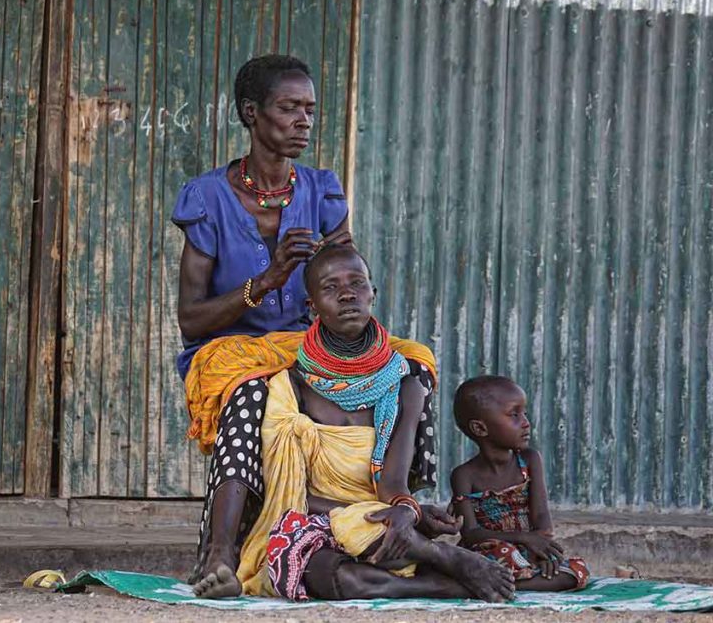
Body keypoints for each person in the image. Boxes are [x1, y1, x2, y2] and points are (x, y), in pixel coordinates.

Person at [173, 55, 438, 598]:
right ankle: (219, 552)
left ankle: (405, 514)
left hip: (309, 345)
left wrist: (332, 269)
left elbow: (348, 280)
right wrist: (266, 281)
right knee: (250, 394)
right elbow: (190, 318)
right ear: (251, 114)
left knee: (414, 366)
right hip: (237, 350)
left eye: (309, 110)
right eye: (288, 108)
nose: (302, 121)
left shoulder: (321, 190)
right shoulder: (208, 198)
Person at [192, 244, 516, 601]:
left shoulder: (405, 384)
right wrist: (378, 516)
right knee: (334, 578)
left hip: (377, 527)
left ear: (373, 294)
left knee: (377, 548)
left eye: (357, 284)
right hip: (318, 521)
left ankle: (433, 560)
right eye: (330, 288)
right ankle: (448, 569)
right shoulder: (290, 386)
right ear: (312, 307)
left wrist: (405, 510)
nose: (347, 294)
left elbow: (392, 483)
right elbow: (292, 495)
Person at [450, 375, 590, 591]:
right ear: (480, 429)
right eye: (514, 415)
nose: (526, 422)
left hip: (531, 549)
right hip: (491, 551)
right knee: (502, 555)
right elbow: (470, 533)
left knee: (576, 571)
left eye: (524, 413)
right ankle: (509, 581)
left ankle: (505, 584)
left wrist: (541, 546)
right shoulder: (464, 475)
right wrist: (523, 539)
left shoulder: (530, 460)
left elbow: (542, 518)